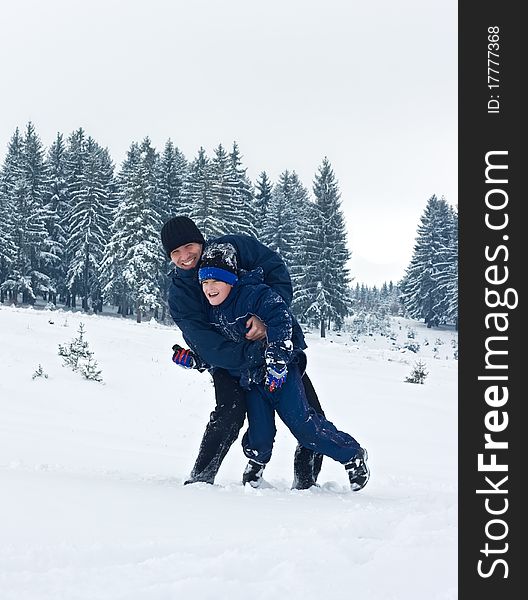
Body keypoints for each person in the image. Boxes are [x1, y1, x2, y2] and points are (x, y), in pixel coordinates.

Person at [172, 242, 370, 490]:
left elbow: (280, 316)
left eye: (216, 281)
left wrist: (277, 359)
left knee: (305, 425)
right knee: (260, 433)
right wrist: (195, 359)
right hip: (252, 378)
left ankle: (351, 455)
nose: (209, 288)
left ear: (231, 279)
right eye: (204, 283)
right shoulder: (213, 312)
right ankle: (256, 462)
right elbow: (221, 348)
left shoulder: (254, 294)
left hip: (281, 372)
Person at [161, 215, 324, 489]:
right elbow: (204, 343)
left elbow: (275, 271)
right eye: (175, 252)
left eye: (188, 246)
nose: (184, 256)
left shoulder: (233, 248)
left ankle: (306, 485)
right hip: (228, 362)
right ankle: (200, 480)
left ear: (200, 241)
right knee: (230, 413)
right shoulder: (180, 294)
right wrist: (252, 354)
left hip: (276, 351)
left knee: (310, 417)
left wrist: (268, 319)